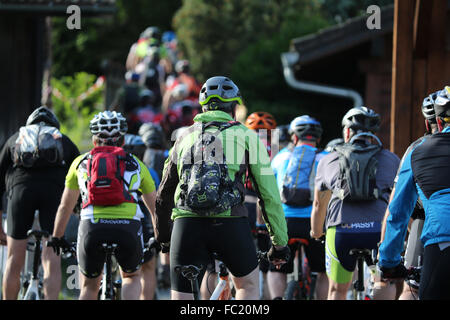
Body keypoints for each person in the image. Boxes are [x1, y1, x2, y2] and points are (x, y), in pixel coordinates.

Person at [154, 76, 290, 300]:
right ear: (234, 108)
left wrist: (165, 238)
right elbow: (269, 195)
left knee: (182, 295)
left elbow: (164, 194)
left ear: (203, 107)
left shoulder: (183, 137)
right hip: (230, 223)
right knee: (247, 285)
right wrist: (279, 243)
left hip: (187, 225)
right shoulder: (247, 136)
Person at [47, 111, 157, 300]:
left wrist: (57, 237)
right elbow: (155, 207)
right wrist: (160, 236)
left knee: (89, 286)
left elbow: (65, 206)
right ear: (122, 140)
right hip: (128, 227)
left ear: (94, 140)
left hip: (92, 226)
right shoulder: (136, 164)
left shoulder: (79, 163)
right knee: (131, 276)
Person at [311, 106, 400, 300]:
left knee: (337, 290)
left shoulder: (329, 159)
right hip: (378, 233)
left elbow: (319, 204)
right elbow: (401, 200)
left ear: (347, 131)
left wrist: (317, 232)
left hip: (342, 232)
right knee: (382, 281)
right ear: (372, 133)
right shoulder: (391, 159)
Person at [0, 106, 80, 299]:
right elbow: (80, 174)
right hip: (53, 193)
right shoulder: (63, 140)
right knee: (51, 257)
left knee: (14, 258)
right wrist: (76, 209)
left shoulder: (15, 139)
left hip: (20, 192)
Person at [378, 90, 450, 300]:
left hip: (442, 240)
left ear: (436, 120)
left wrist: (389, 261)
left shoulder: (417, 151)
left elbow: (398, 212)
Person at [269, 115, 329, 300]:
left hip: (285, 222)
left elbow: (269, 191)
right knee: (324, 271)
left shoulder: (280, 158)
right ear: (318, 138)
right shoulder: (326, 158)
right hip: (315, 223)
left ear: (294, 137)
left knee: (276, 268)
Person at [244, 111, 277, 300]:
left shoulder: (240, 145)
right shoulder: (276, 149)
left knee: (240, 252)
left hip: (244, 202)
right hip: (265, 203)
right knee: (267, 254)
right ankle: (265, 295)